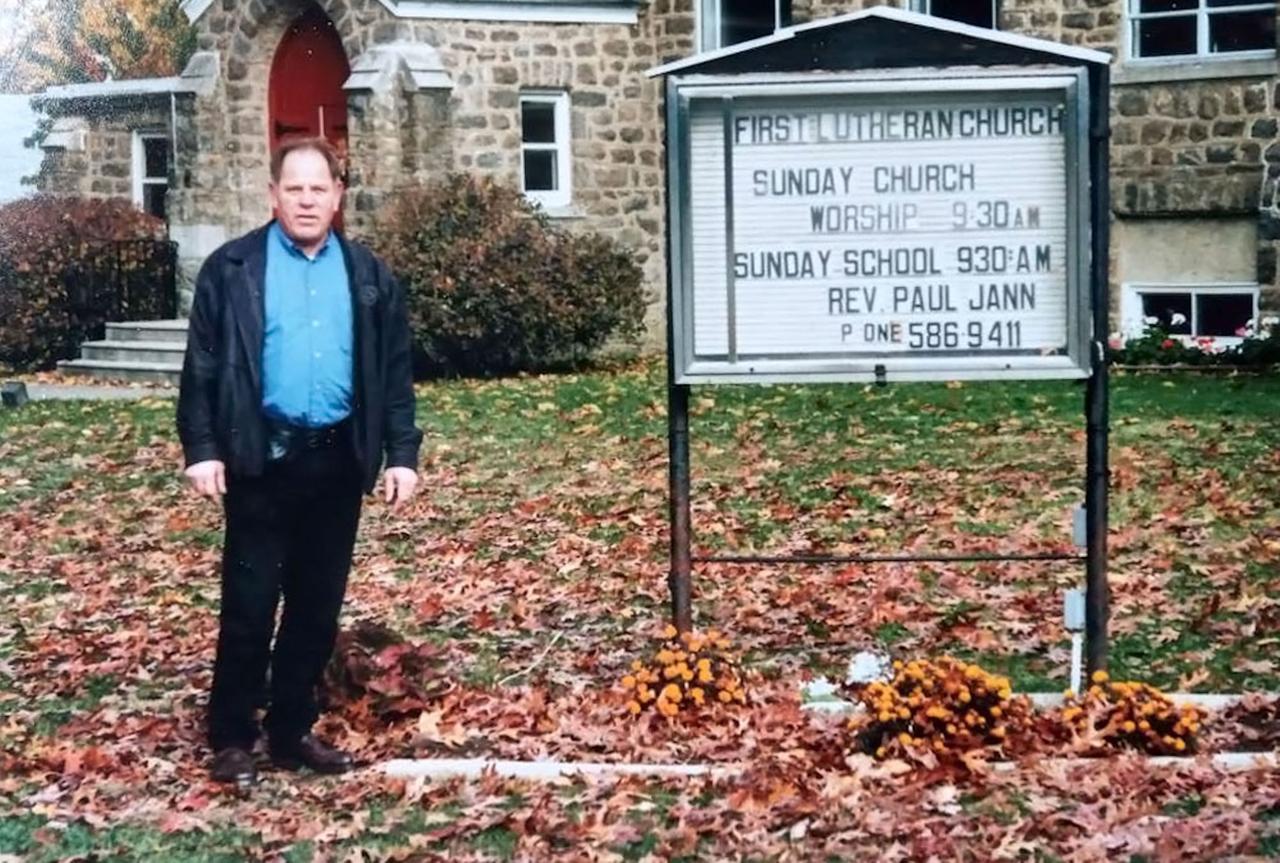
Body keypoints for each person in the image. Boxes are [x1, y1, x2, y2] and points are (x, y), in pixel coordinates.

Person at [177, 136, 422, 787]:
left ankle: (290, 729)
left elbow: (393, 374)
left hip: (337, 463)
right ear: (273, 195)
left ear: (338, 195)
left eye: (320, 188)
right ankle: (232, 735)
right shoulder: (232, 270)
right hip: (260, 461)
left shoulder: (368, 276)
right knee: (250, 604)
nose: (308, 199)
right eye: (295, 188)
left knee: (317, 607)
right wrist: (202, 449)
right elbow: (201, 369)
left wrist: (402, 454)